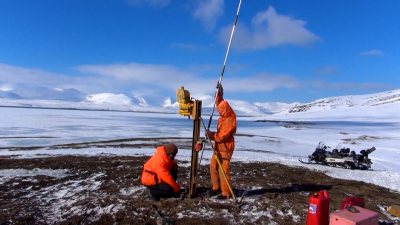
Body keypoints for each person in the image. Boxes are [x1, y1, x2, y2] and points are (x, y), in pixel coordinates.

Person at [206, 84, 237, 199]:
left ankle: (225, 192)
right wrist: (219, 92)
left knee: (223, 169)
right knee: (213, 166)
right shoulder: (225, 113)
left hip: (226, 147)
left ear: (224, 110)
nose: (218, 111)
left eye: (220, 110)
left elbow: (222, 136)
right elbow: (219, 103)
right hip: (218, 147)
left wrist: (211, 135)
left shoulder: (229, 120)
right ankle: (216, 187)